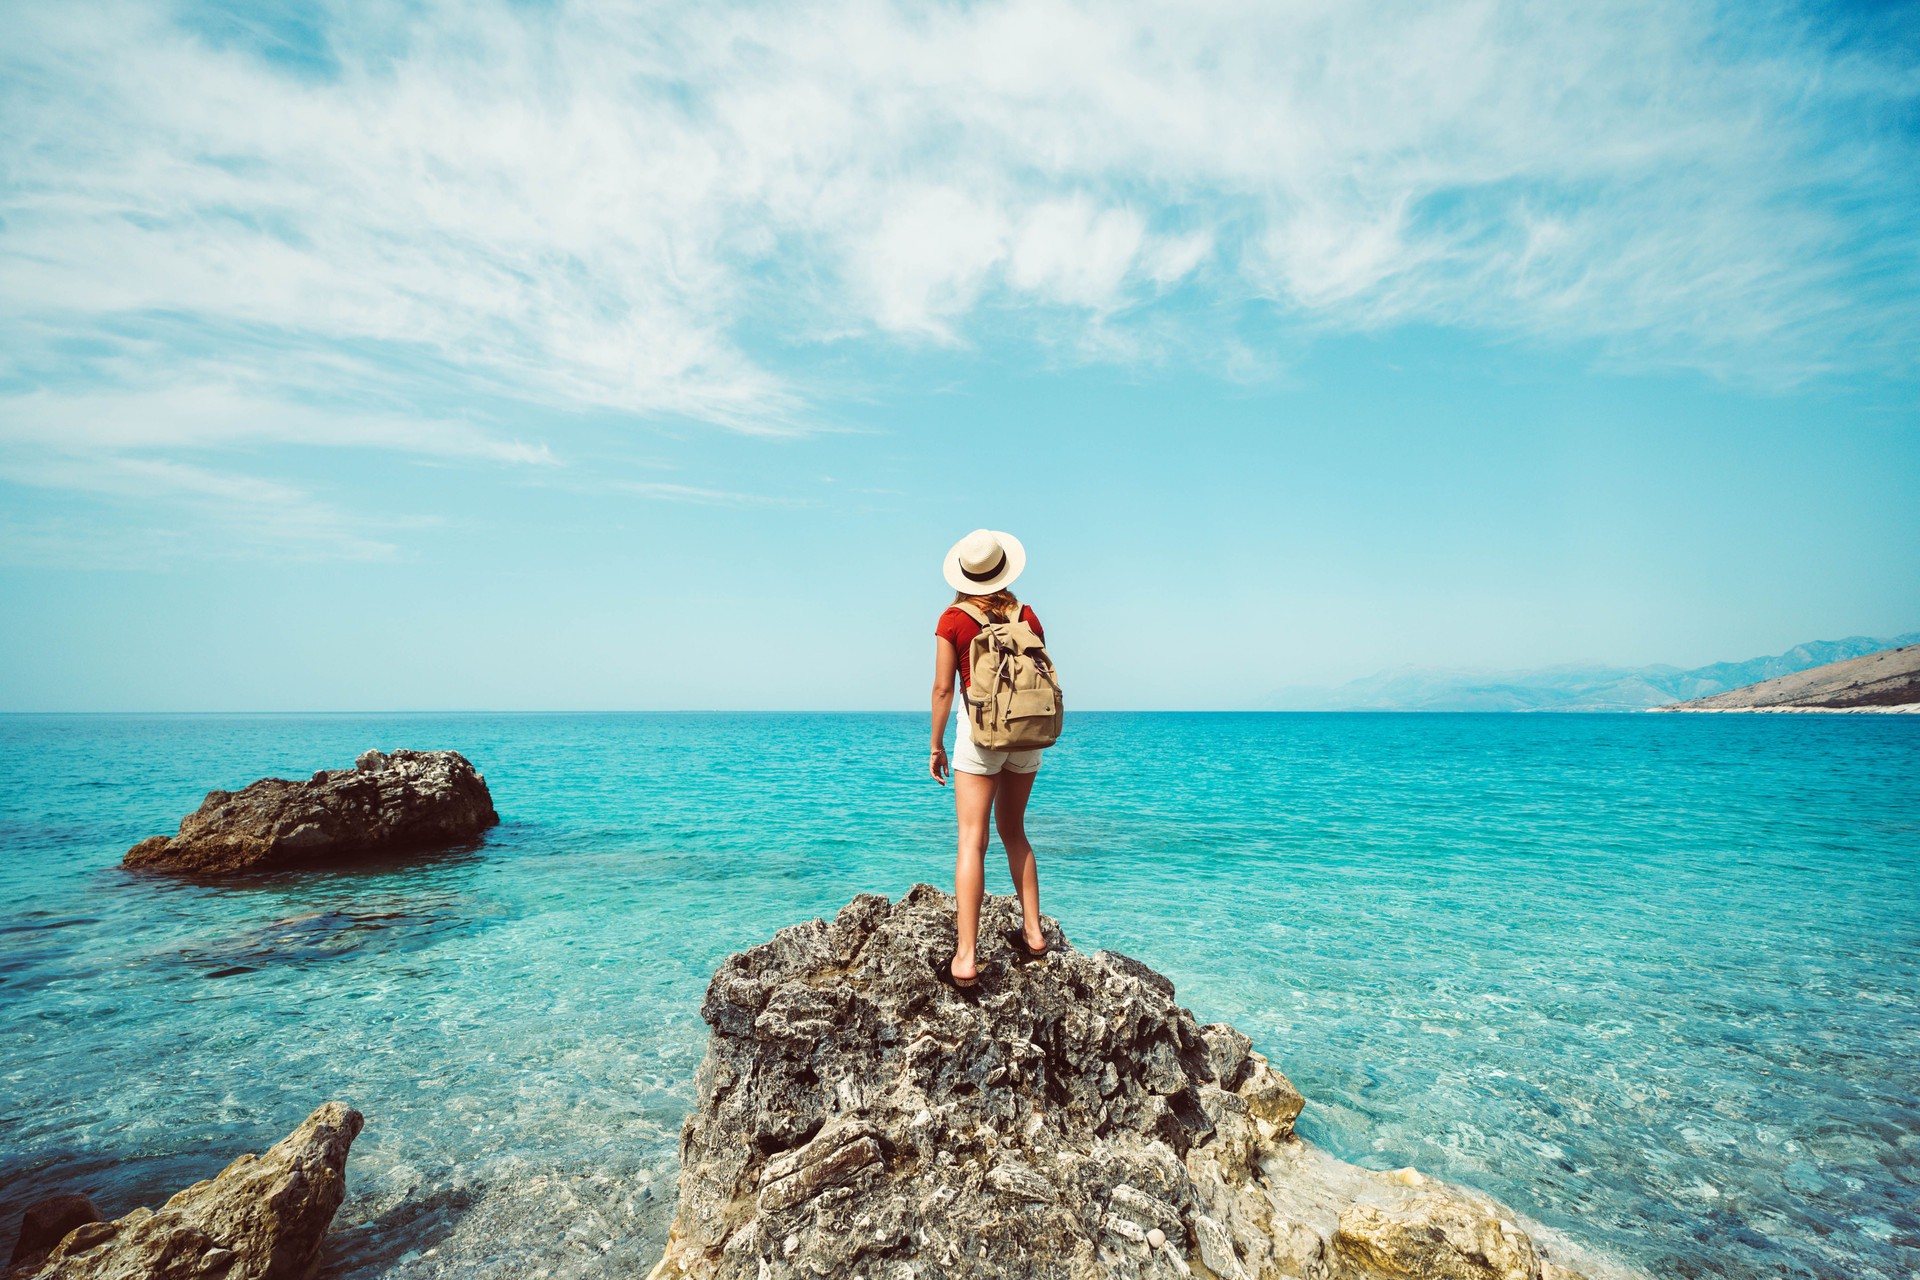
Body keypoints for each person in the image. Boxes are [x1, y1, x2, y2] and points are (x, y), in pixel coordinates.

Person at [929, 528, 1051, 990]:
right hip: (1028, 733)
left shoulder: (953, 619)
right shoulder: (1027, 614)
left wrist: (935, 745)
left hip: (980, 736)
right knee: (1015, 831)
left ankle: (965, 959)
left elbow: (944, 689)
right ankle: (1034, 935)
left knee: (971, 840)